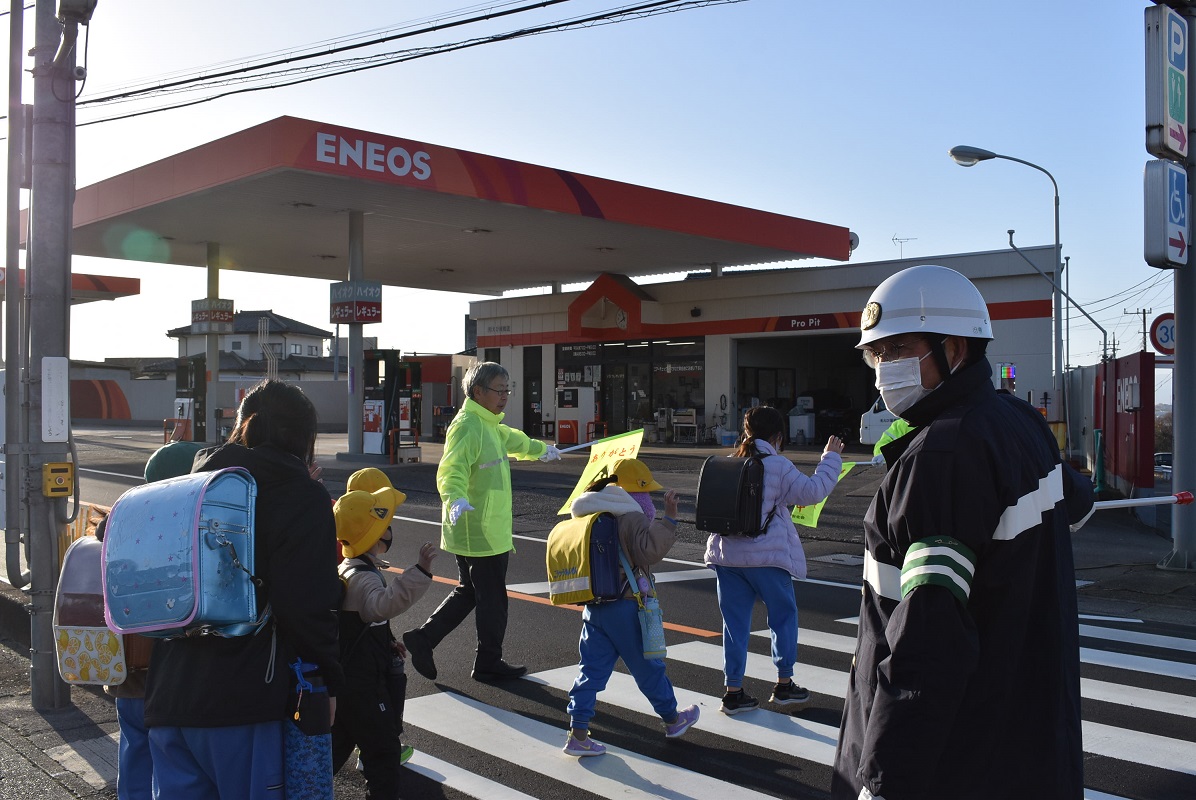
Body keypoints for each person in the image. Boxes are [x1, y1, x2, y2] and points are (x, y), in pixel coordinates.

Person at [831, 265, 1095, 800]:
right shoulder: (1019, 421)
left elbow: (928, 644)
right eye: (875, 354)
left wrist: (883, 784)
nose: (883, 368)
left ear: (953, 350)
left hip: (957, 766)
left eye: (899, 348)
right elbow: (1076, 500)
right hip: (1031, 743)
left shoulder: (941, 459)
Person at [144, 379, 345, 800]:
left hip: (170, 695)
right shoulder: (299, 494)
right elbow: (307, 604)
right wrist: (330, 681)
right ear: (304, 436)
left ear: (242, 427)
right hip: (248, 697)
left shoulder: (192, 483)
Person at [403, 362, 560, 683]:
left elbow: (515, 440)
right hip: (479, 529)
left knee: (471, 593)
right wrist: (455, 497)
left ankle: (424, 638)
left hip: (484, 527)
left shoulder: (488, 424)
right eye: (499, 390)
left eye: (507, 390)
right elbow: (451, 470)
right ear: (478, 392)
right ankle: (488, 661)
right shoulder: (468, 425)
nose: (505, 396)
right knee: (492, 598)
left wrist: (543, 451)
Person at [704, 406, 843, 715]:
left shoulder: (730, 462)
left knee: (734, 626)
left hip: (727, 557)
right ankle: (783, 685)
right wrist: (830, 458)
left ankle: (733, 692)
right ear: (778, 437)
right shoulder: (777, 465)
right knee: (782, 618)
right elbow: (813, 492)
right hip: (766, 557)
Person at [561, 458, 699, 756]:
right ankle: (673, 719)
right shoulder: (629, 515)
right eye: (646, 493)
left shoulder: (590, 512)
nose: (647, 500)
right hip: (626, 605)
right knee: (648, 666)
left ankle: (578, 732)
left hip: (595, 606)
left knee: (591, 669)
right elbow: (649, 551)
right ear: (636, 493)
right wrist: (670, 520)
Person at [98, 440, 208, 800]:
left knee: (134, 758)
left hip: (128, 670)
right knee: (173, 769)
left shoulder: (122, 521)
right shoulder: (185, 529)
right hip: (169, 677)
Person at [331, 468, 437, 799]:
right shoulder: (363, 576)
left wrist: (387, 641)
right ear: (374, 537)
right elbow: (380, 606)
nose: (389, 532)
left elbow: (363, 621)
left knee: (337, 746)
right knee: (384, 754)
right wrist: (418, 573)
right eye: (384, 527)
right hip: (363, 682)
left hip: (349, 678)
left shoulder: (351, 568)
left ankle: (305, 790)